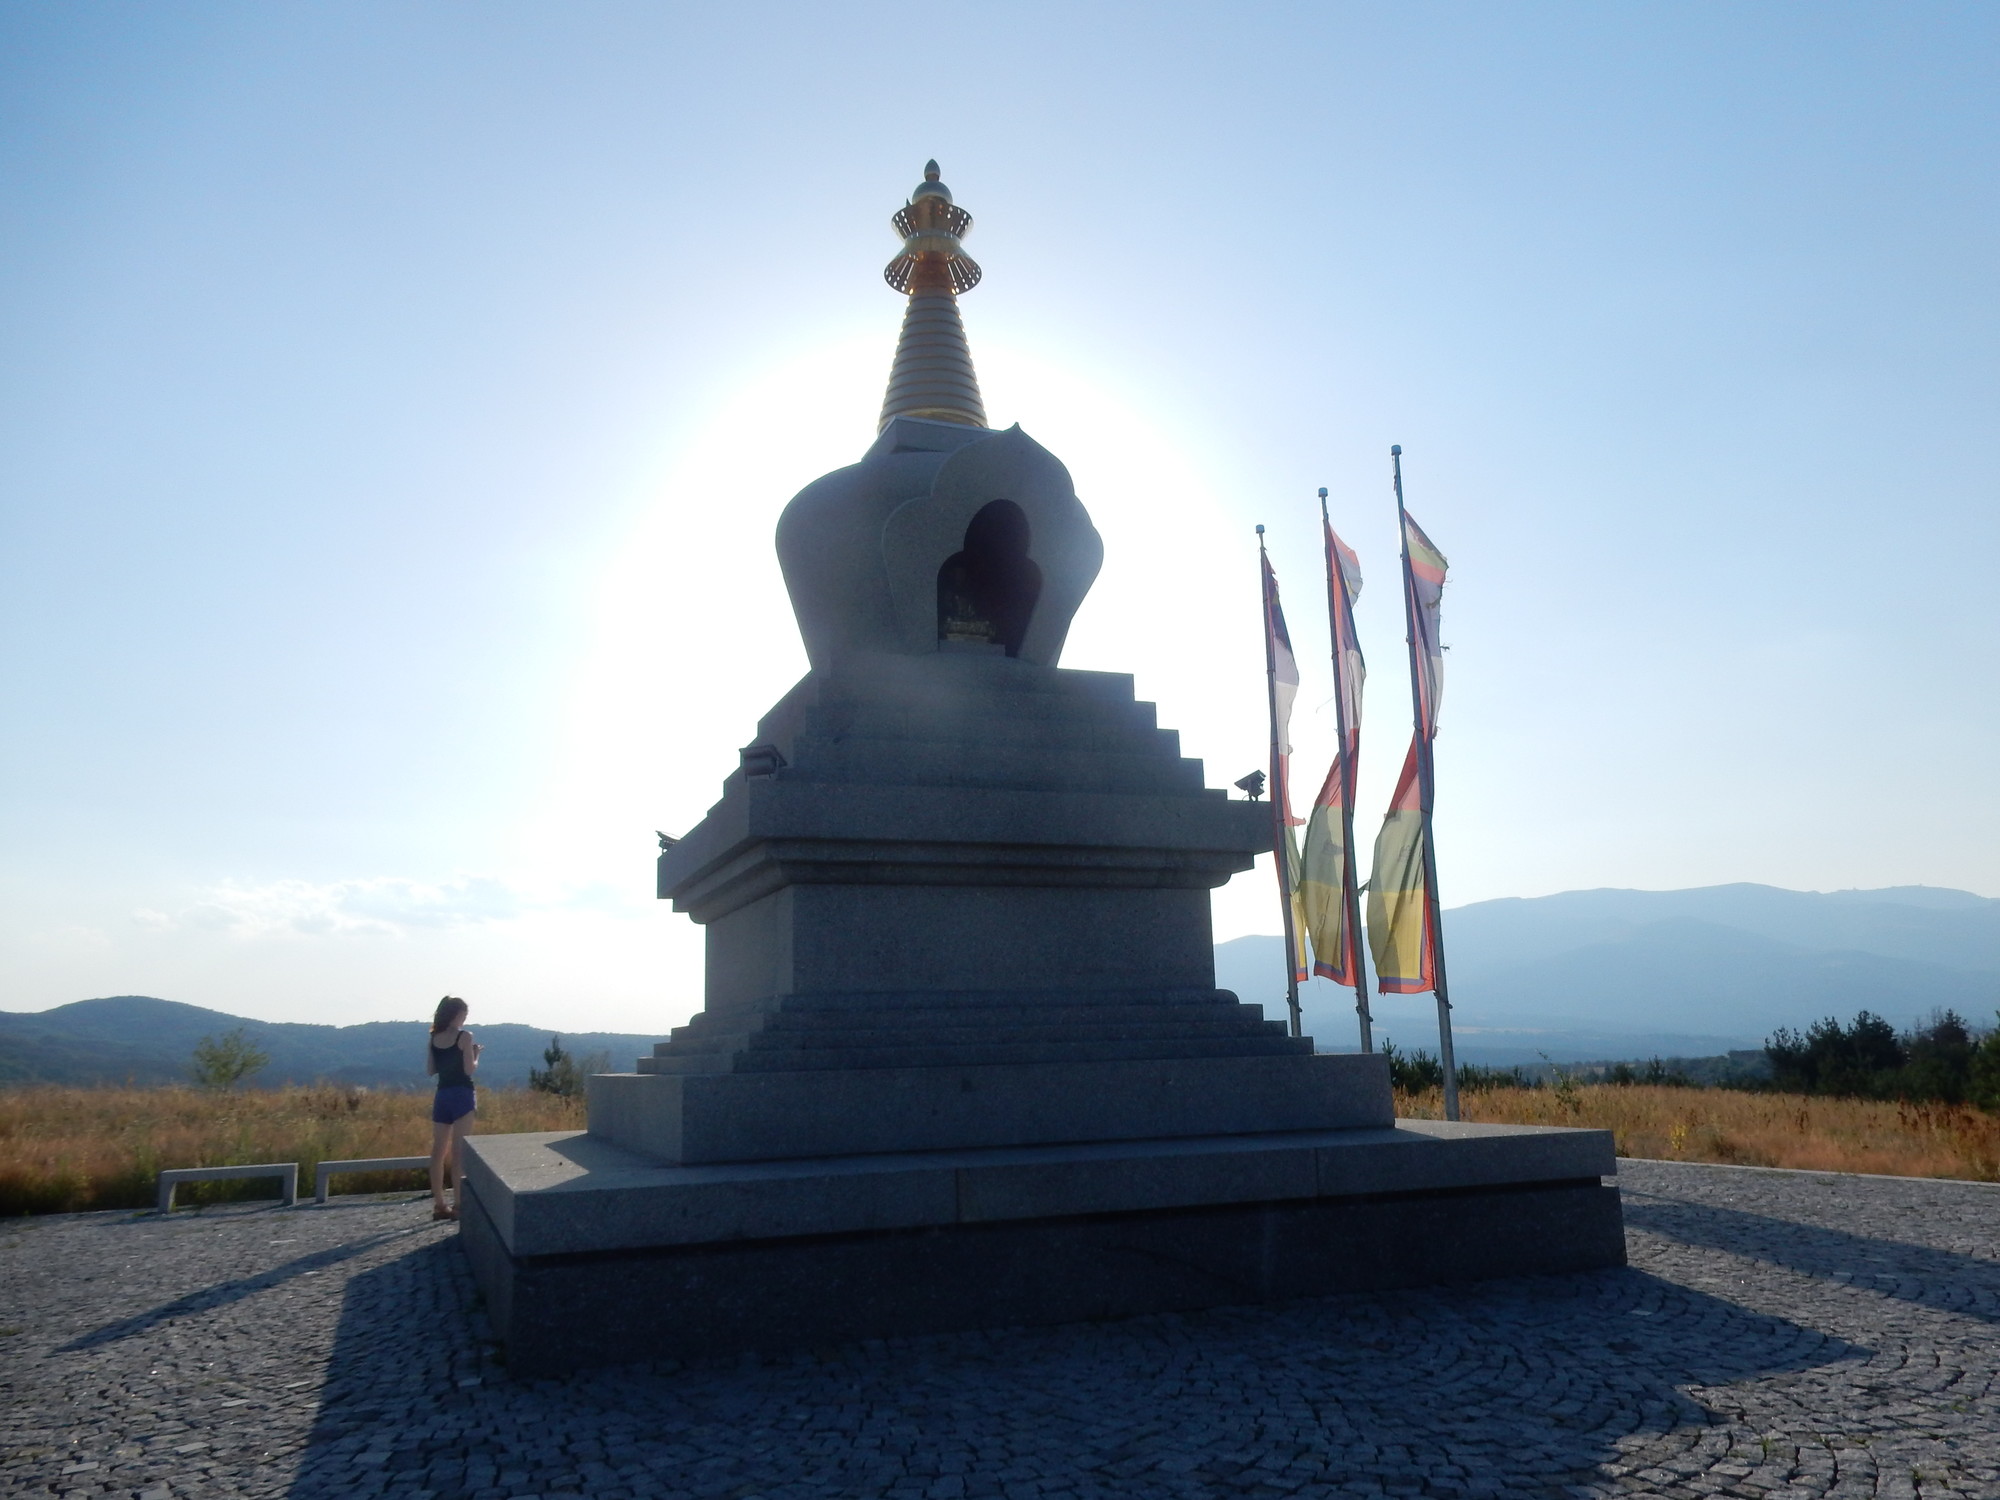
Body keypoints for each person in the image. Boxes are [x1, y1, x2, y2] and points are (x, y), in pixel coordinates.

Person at [425, 995, 480, 1220]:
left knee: (438, 1151)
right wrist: (476, 1055)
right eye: (464, 1015)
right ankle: (458, 1205)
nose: (465, 1019)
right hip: (462, 1095)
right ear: (457, 1015)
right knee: (458, 1153)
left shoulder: (433, 1038)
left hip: (443, 1095)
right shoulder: (465, 1037)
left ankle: (439, 1204)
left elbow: (430, 1070)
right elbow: (469, 1069)